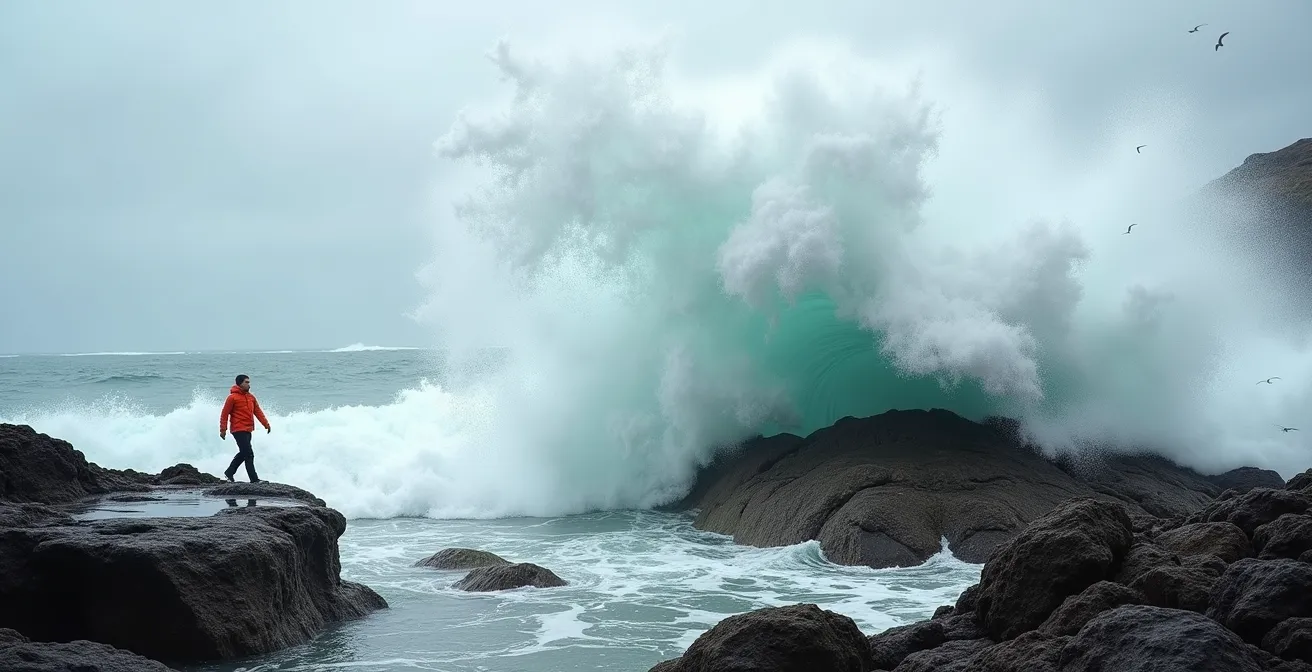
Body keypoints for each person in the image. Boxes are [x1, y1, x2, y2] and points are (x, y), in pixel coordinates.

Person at [219, 374, 271, 483]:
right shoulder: (232, 398)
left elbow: (258, 412)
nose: (249, 385)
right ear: (240, 383)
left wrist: (266, 424)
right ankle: (254, 479)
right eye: (246, 382)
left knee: (244, 453)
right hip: (238, 429)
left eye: (249, 382)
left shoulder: (251, 397)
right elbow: (224, 414)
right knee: (248, 454)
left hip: (248, 429)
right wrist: (223, 429)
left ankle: (229, 472)